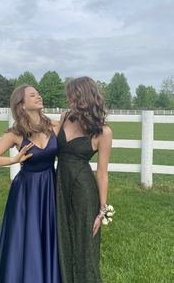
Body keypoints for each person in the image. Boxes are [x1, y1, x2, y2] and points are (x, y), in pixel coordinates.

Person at [0, 84, 61, 283]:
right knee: (25, 236)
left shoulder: (54, 126)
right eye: (32, 95)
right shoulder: (15, 133)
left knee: (48, 232)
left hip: (50, 186)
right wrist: (13, 160)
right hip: (26, 191)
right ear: (22, 104)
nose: (38, 96)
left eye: (38, 93)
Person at [56, 76, 112, 283]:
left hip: (84, 189)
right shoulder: (65, 116)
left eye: (73, 96)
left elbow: (102, 172)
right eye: (68, 96)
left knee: (84, 242)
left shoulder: (103, 131)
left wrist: (102, 210)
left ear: (84, 97)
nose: (69, 99)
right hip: (59, 186)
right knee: (62, 236)